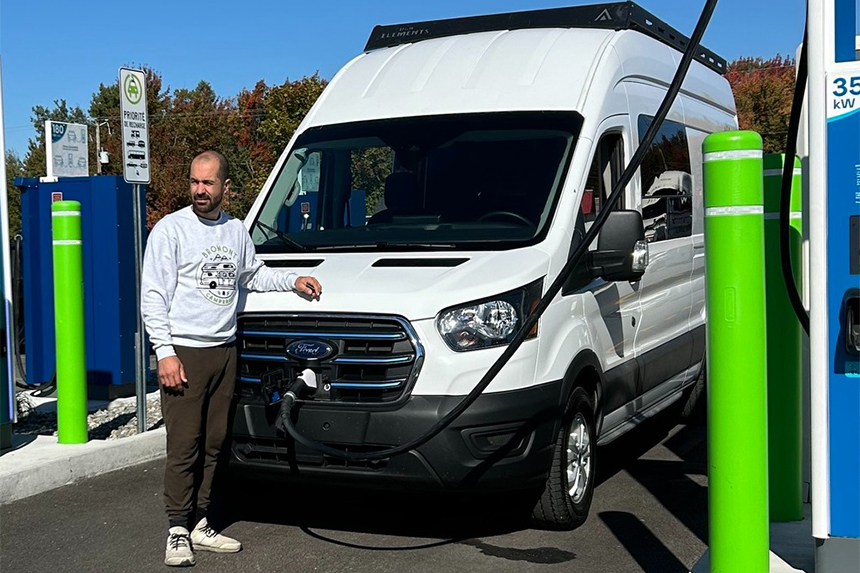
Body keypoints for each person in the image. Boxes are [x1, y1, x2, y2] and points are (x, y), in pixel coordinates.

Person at [141, 150, 322, 567]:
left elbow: (253, 274)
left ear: (226, 188)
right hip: (185, 351)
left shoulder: (236, 231)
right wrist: (164, 353)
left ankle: (203, 522)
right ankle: (177, 529)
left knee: (216, 442)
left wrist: (294, 280)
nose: (199, 190)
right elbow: (153, 296)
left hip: (225, 350)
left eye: (207, 183)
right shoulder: (171, 231)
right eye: (194, 182)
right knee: (184, 444)